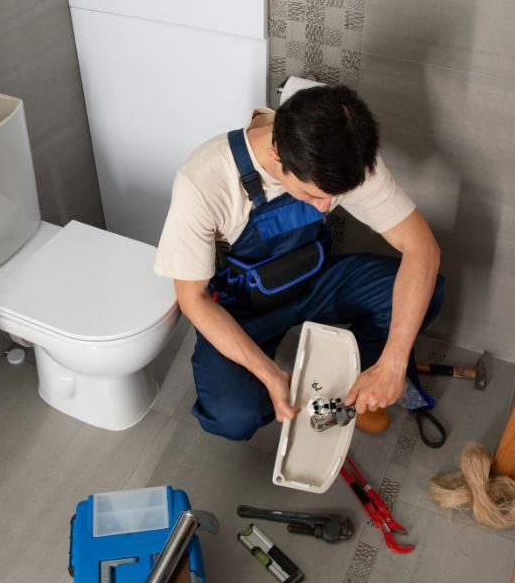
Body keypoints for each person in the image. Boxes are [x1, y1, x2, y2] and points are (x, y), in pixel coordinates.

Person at [154, 84, 444, 440]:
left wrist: (393, 362)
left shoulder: (346, 148)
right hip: (245, 306)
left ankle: (357, 390)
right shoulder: (204, 182)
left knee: (426, 290)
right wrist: (269, 373)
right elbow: (192, 299)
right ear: (277, 154)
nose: (325, 206)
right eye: (312, 195)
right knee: (233, 415)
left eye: (334, 197)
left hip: (313, 280)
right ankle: (278, 388)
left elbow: (423, 249)